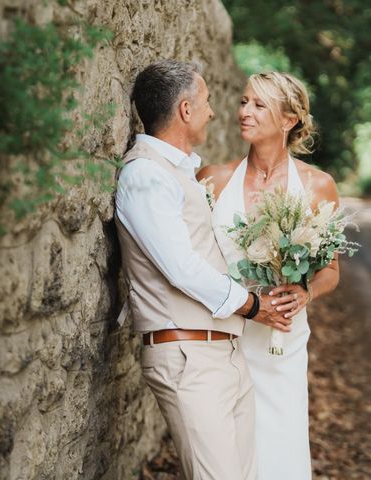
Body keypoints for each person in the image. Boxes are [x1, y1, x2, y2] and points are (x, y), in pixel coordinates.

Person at [114, 59, 291, 480]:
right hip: (188, 356)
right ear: (186, 111)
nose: (215, 112)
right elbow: (181, 268)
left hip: (224, 351)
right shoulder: (145, 175)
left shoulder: (180, 174)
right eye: (208, 101)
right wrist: (252, 306)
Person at [197, 71, 341, 479]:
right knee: (224, 455)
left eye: (259, 105)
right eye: (244, 101)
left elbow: (331, 270)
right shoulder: (213, 179)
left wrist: (305, 292)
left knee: (280, 451)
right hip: (223, 337)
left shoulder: (318, 187)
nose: (244, 112)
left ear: (288, 120)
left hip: (281, 342)